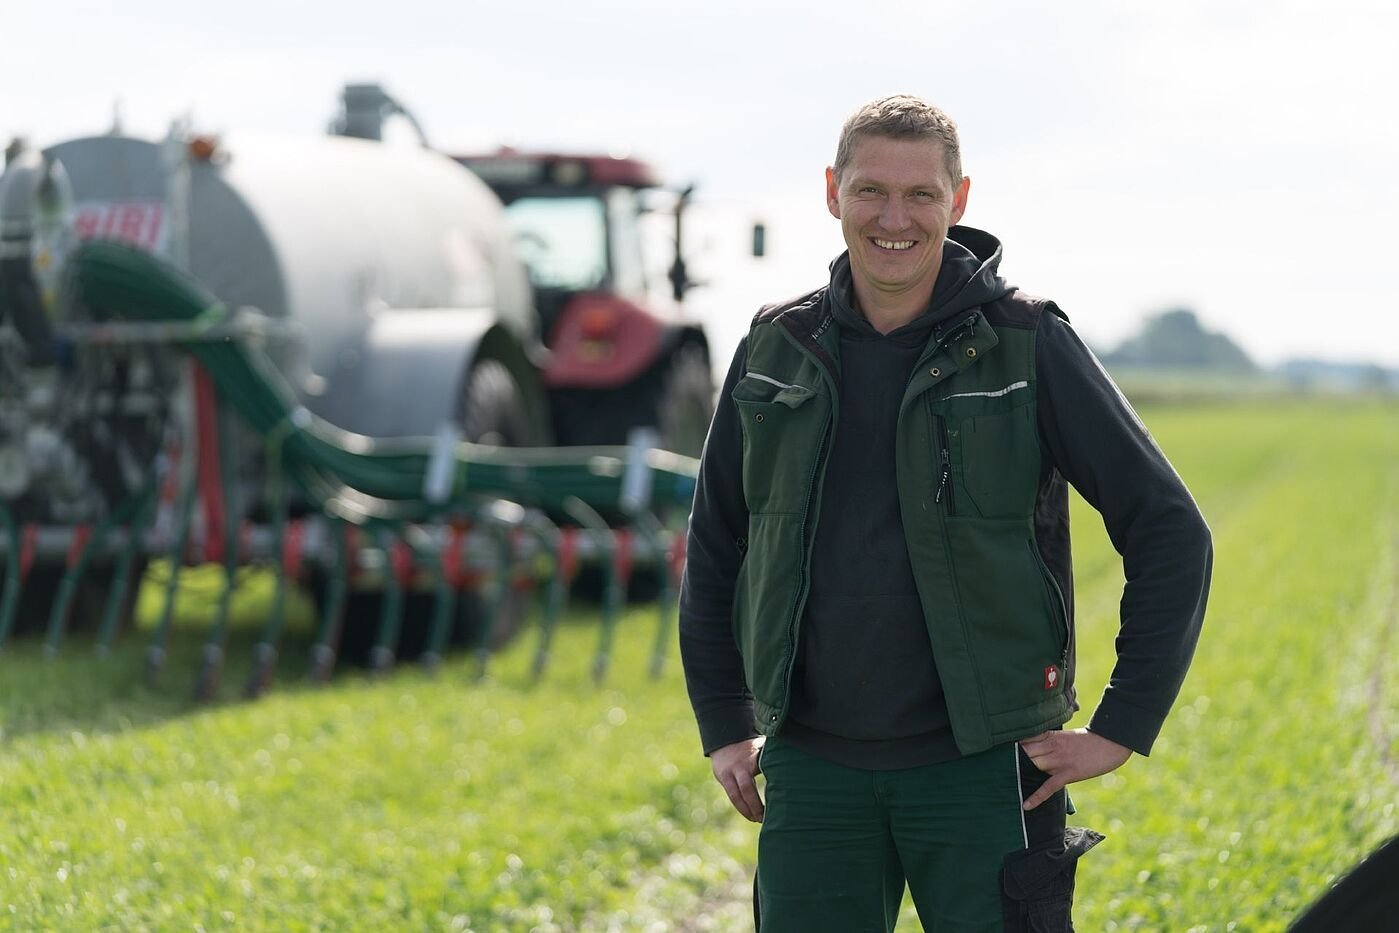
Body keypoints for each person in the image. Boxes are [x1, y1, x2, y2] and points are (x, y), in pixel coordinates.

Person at [678, 95, 1213, 931]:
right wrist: (723, 721)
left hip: (985, 770)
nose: (895, 218)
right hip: (815, 771)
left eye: (921, 194)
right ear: (832, 192)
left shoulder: (1025, 342)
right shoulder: (773, 347)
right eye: (870, 191)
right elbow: (716, 545)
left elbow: (1169, 530)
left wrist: (1122, 723)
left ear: (957, 201)